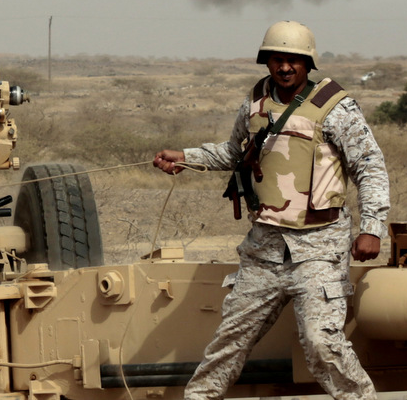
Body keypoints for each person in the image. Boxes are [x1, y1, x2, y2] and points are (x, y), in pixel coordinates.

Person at [153, 21, 388, 400]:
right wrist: (186, 158)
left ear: (307, 63)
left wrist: (372, 227)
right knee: (228, 343)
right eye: (278, 59)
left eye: (294, 60)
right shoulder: (255, 102)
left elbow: (370, 166)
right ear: (267, 62)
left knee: (322, 345)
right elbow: (233, 153)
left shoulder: (335, 106)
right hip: (264, 248)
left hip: (319, 249)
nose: (285, 68)